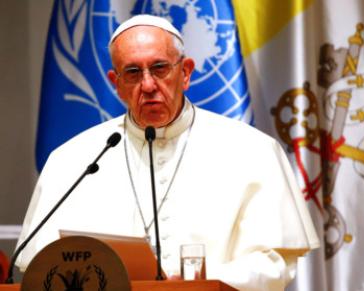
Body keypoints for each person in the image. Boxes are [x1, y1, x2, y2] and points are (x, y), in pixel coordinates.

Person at [16, 15, 319, 290]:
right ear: (116, 84)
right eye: (132, 73)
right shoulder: (73, 160)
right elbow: (40, 262)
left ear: (185, 72)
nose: (148, 85)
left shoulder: (253, 151)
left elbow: (272, 262)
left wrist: (202, 285)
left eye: (159, 68)